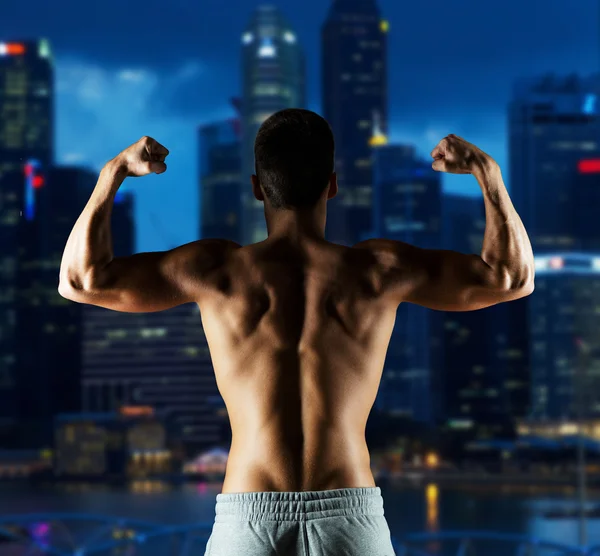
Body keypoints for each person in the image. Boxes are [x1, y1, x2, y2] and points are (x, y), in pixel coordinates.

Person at [58, 108, 535, 555]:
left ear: (257, 189)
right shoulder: (376, 270)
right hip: (350, 515)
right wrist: (486, 173)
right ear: (332, 186)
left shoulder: (218, 271)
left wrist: (113, 173)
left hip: (249, 516)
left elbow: (81, 281)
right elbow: (512, 278)